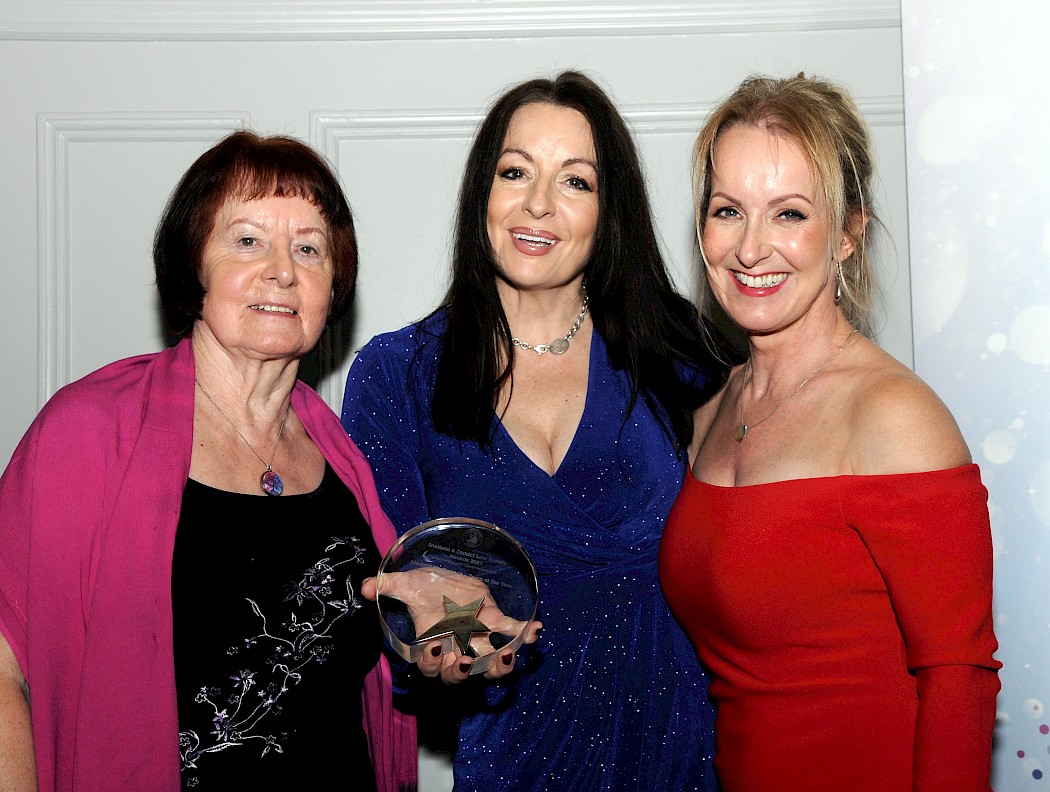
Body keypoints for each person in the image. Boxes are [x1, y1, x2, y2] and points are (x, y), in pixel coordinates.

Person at [341, 70, 731, 790]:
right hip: (516, 757)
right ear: (481, 193)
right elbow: (394, 592)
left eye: (576, 181)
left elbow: (755, 536)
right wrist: (438, 650)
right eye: (515, 171)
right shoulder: (395, 373)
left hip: (683, 748)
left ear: (609, 208)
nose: (539, 203)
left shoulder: (675, 347)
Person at [0, 130, 418, 791]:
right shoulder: (86, 433)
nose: (282, 269)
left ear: (333, 286)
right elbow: (3, 668)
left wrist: (437, 632)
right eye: (248, 240)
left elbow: (360, 656)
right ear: (194, 263)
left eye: (309, 248)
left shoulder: (338, 455)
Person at [658, 73, 1001, 791]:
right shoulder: (711, 412)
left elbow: (957, 680)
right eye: (728, 210)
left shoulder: (894, 416)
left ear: (849, 234)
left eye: (789, 214)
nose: (751, 249)